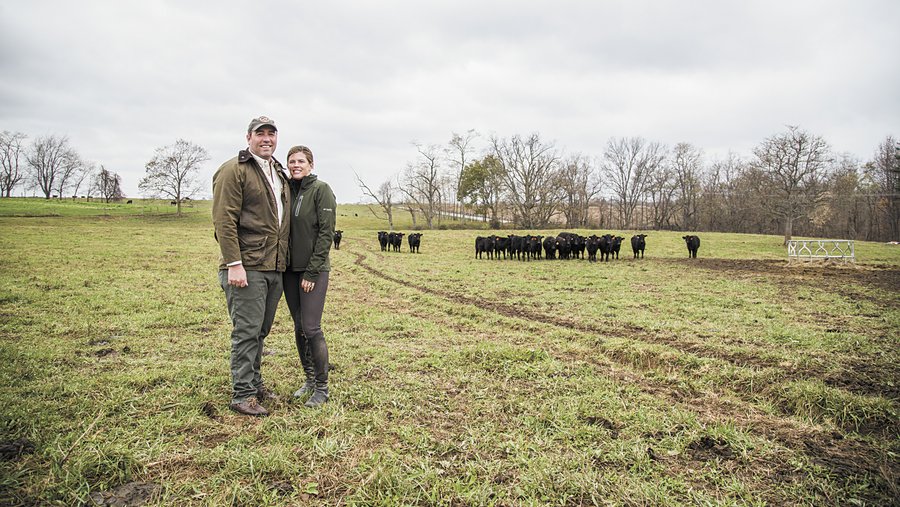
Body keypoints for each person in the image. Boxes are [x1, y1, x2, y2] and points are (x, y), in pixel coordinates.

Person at [212, 116, 290, 417]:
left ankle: (255, 384)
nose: (266, 139)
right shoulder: (234, 170)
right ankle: (242, 393)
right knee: (246, 330)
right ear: (249, 137)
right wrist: (234, 263)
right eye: (260, 134)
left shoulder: (277, 171)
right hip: (247, 266)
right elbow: (223, 220)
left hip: (274, 266)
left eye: (272, 134)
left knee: (261, 330)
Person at [282, 145, 336, 407]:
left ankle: (322, 388)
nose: (295, 165)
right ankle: (309, 380)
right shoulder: (288, 191)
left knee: (311, 327)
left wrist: (312, 271)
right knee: (298, 327)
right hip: (290, 270)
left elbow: (327, 234)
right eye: (291, 161)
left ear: (311, 165)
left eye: (301, 161)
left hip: (313, 270)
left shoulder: (321, 190)